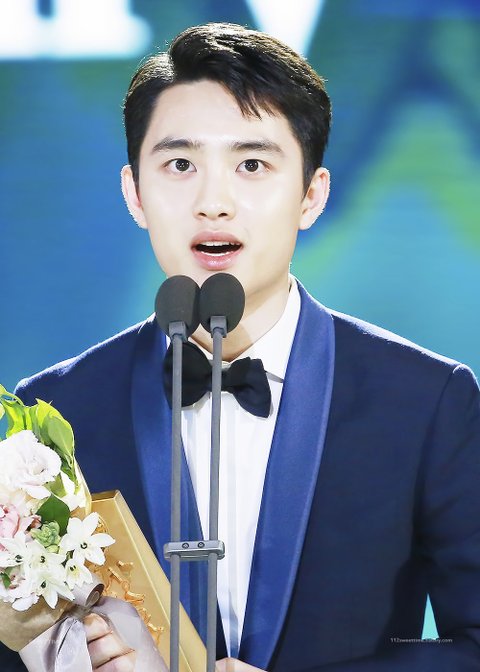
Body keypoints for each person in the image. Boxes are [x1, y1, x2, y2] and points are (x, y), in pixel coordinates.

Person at [4, 21, 480, 672]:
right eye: (180, 165)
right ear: (134, 194)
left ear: (311, 195)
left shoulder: (427, 400)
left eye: (251, 165)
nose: (214, 202)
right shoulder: (55, 411)